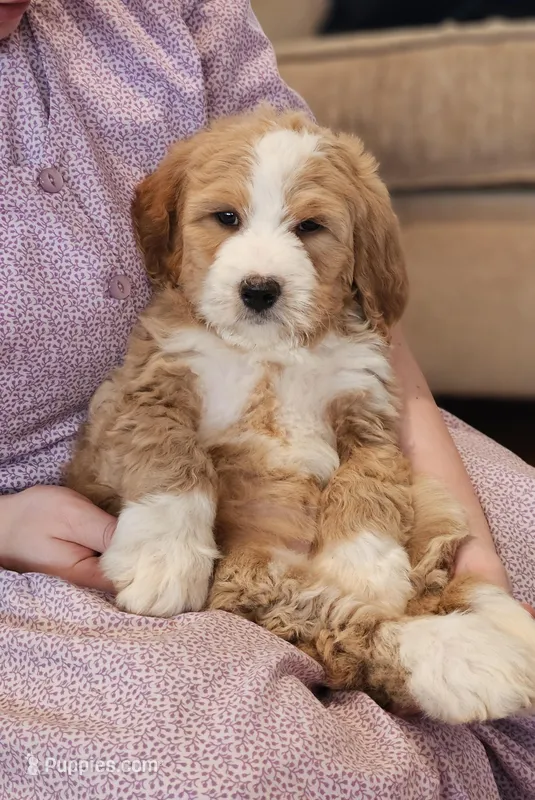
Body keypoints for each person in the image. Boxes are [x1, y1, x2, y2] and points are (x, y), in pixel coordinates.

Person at [0, 2, 534, 798]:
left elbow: (355, 282)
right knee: (244, 765)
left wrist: (475, 560)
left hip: (314, 398)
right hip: (67, 513)